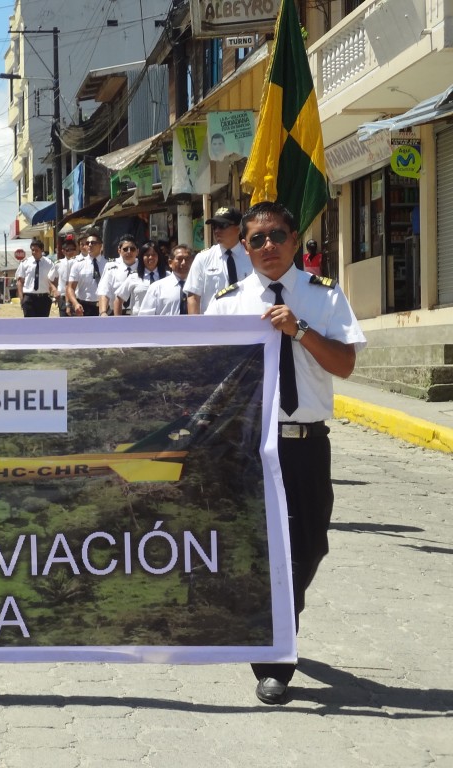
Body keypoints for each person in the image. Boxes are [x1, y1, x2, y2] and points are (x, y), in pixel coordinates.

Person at [206, 201, 366, 706]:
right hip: (251, 445)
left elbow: (344, 365)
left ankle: (278, 619)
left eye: (277, 235)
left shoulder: (324, 296)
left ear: (296, 240)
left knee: (309, 545)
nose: (268, 246)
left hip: (305, 445)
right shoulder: (228, 303)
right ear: (244, 246)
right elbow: (207, 374)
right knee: (261, 549)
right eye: (257, 239)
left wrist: (298, 330)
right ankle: (276, 659)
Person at [185, 206, 252, 315]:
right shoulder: (203, 258)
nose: (217, 231)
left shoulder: (252, 256)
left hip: (246, 321)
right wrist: (196, 328)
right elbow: (193, 296)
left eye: (222, 226)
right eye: (214, 226)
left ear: (238, 228)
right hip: (213, 324)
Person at [136, 245, 195, 316]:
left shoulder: (199, 286)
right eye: (179, 259)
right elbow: (145, 317)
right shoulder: (157, 287)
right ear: (170, 262)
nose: (183, 263)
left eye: (187, 259)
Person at [114, 240, 166, 316]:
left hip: (162, 321)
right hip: (138, 322)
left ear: (158, 256)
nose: (150, 257)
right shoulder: (134, 277)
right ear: (142, 257)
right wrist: (117, 322)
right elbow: (119, 298)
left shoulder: (168, 276)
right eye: (147, 255)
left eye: (154, 254)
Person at [67, 229, 107, 316]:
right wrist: (75, 303)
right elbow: (70, 288)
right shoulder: (78, 265)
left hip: (105, 307)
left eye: (93, 243)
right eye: (87, 243)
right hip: (84, 307)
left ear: (101, 246)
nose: (89, 245)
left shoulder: (109, 265)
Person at [97, 235, 139, 316]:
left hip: (137, 315)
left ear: (138, 251)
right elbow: (104, 291)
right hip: (116, 313)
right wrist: (103, 312)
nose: (129, 252)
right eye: (125, 249)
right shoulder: (111, 267)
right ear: (119, 251)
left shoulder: (143, 268)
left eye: (132, 249)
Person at [15, 239, 56, 317]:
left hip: (44, 298)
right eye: (32, 250)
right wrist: (21, 298)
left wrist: (53, 293)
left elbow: (53, 280)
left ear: (42, 250)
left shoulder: (49, 263)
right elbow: (20, 281)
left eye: (36, 250)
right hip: (29, 298)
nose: (34, 252)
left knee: (42, 325)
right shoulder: (25, 263)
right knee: (30, 325)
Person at [53, 234, 78, 317]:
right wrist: (55, 290)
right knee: (64, 325)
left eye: (72, 249)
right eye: (68, 250)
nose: (70, 252)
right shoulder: (58, 264)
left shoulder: (79, 263)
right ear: (63, 251)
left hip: (77, 297)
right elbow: (51, 279)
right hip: (63, 298)